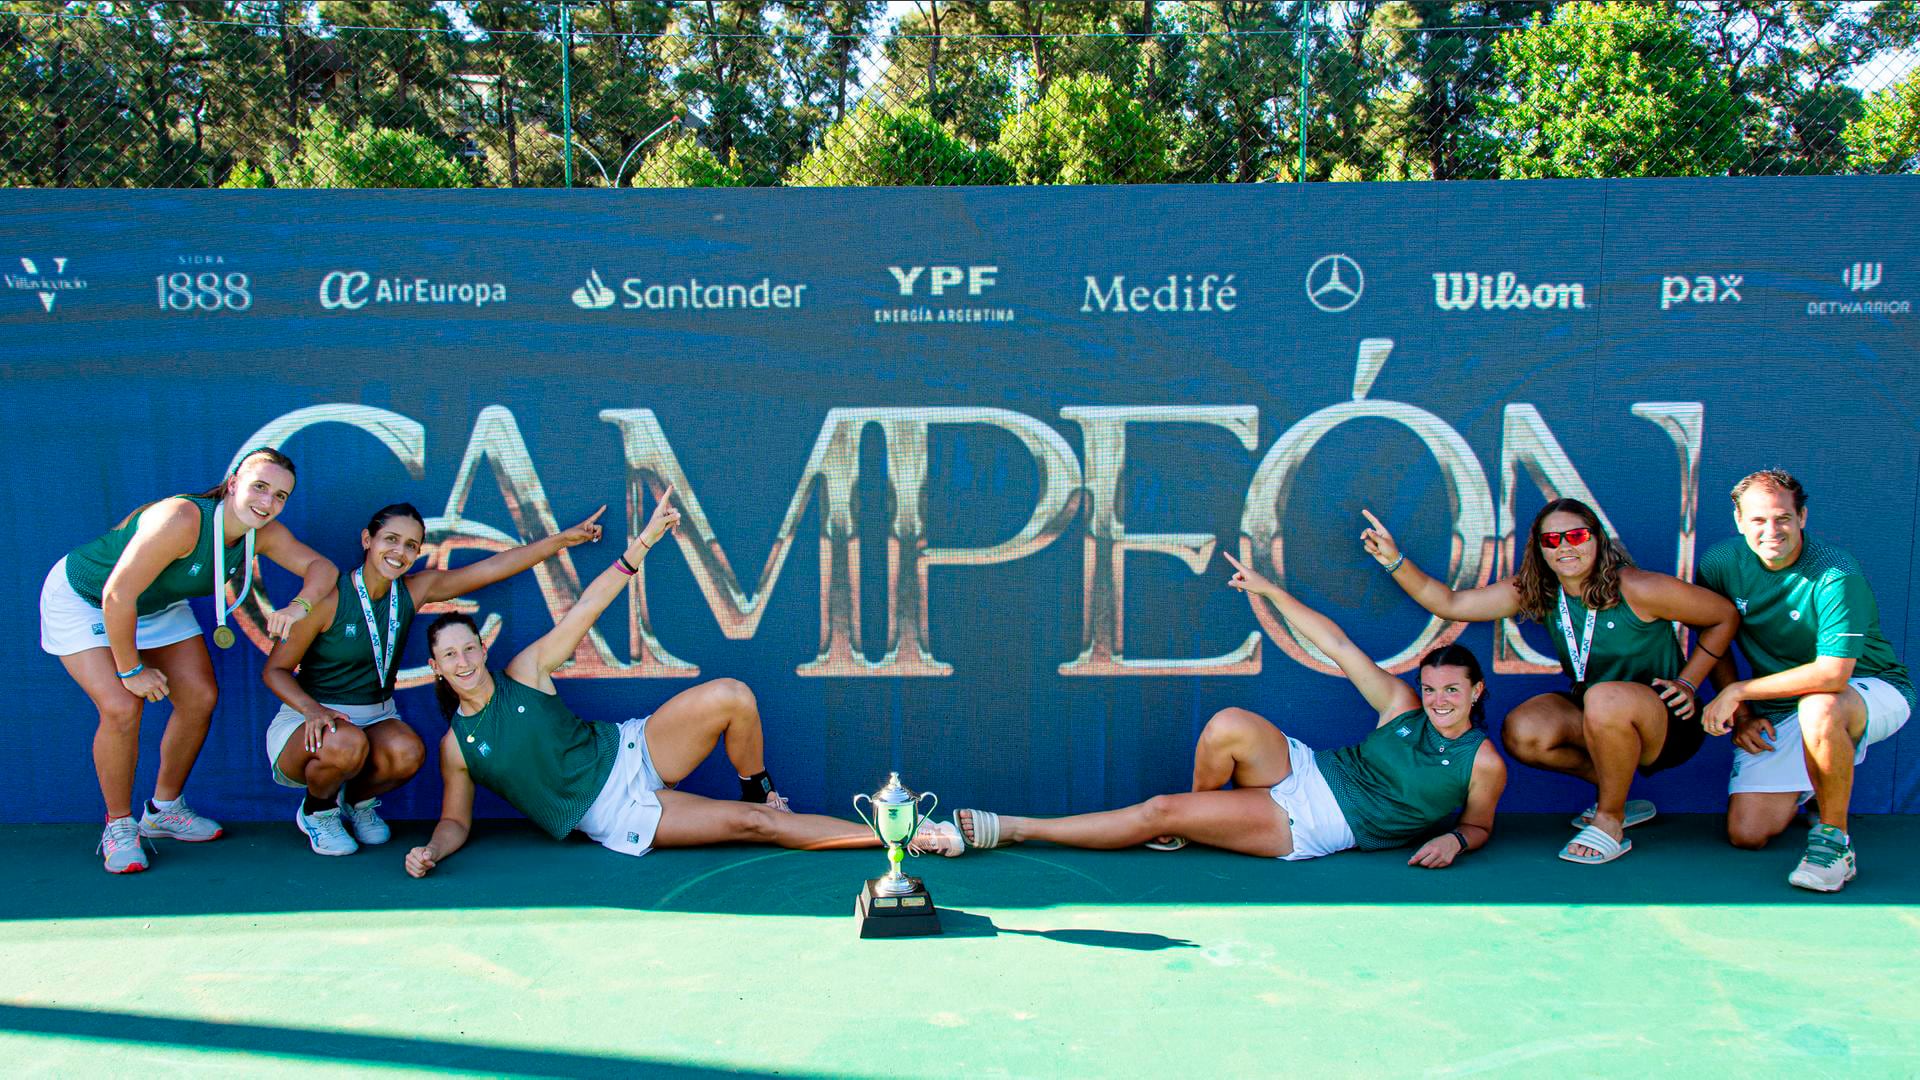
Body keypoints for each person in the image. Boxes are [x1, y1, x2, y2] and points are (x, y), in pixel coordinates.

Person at [404, 485, 960, 877]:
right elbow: (454, 820)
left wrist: (642, 542)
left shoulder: (523, 672)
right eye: (449, 655)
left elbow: (587, 608)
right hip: (613, 813)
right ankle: (901, 836)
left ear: (483, 648)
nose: (463, 661)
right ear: (436, 667)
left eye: (468, 648)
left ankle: (762, 789)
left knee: (732, 696)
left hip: (627, 750)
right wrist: (431, 850)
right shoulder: (457, 747)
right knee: (754, 827)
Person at [951, 552, 1506, 867]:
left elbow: (1478, 824)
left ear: (1476, 692)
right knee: (1227, 725)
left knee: (1159, 813)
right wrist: (1269, 592)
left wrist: (1454, 840)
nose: (1438, 700)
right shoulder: (1401, 705)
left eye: (1451, 691)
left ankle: (1015, 828)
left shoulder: (1482, 762)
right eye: (1432, 688)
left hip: (1320, 822)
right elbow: (1336, 645)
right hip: (1311, 771)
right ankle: (1203, 817)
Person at [1361, 500, 1738, 864]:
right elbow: (1451, 604)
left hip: (1668, 723)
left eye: (1575, 536)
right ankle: (1617, 795)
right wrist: (1394, 560)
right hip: (1597, 712)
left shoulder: (1637, 587)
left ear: (1596, 539)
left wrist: (1689, 683)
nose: (1564, 547)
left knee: (1605, 698)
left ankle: (1609, 821)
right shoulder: (1540, 590)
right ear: (1540, 549)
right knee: (1525, 729)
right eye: (1552, 540)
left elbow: (1723, 616)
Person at [41, 447, 336, 874]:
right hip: (88, 600)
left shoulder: (262, 532)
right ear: (233, 482)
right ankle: (119, 826)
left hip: (156, 606)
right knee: (123, 706)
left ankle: (163, 811)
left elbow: (320, 568)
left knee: (199, 697)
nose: (268, 503)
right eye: (260, 487)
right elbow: (117, 595)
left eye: (280, 496)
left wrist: (299, 607)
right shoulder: (181, 518)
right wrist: (131, 670)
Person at [263, 502, 612, 856]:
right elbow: (274, 670)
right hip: (311, 721)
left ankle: (355, 800)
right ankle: (317, 811)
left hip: (374, 716)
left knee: (408, 752)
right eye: (391, 539)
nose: (400, 552)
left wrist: (562, 540)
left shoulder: (414, 591)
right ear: (367, 539)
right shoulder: (329, 599)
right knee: (345, 744)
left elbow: (490, 569)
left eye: (411, 545)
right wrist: (312, 710)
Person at [1697, 470, 1913, 892]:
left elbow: (1834, 675)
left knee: (1820, 704)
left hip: (1871, 690)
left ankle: (1834, 843)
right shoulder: (1720, 562)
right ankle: (1817, 789)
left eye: (1782, 518)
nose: (1771, 530)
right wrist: (1741, 716)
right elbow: (1715, 636)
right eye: (1758, 521)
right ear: (1739, 522)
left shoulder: (1836, 573)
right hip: (1783, 703)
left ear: (1802, 518)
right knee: (1748, 833)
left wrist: (1738, 691)